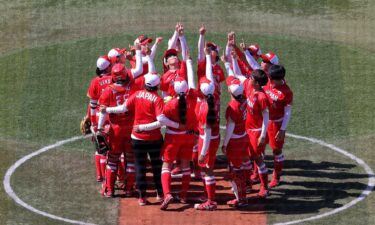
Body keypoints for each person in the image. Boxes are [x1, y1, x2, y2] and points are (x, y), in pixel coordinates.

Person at [101, 56, 185, 206]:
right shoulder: (141, 91)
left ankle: (113, 191)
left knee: (115, 160)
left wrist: (104, 114)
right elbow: (161, 120)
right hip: (149, 136)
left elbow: (122, 108)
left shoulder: (129, 92)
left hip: (124, 133)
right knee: (149, 165)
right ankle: (138, 190)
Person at [96, 45, 144, 198]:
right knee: (130, 159)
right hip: (131, 128)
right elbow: (139, 70)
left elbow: (102, 112)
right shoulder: (134, 86)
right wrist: (138, 51)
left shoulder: (108, 91)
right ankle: (129, 188)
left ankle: (110, 190)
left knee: (113, 159)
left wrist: (99, 128)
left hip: (115, 130)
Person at [159, 56, 198, 210]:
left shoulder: (170, 105)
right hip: (188, 137)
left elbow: (162, 119)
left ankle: (167, 194)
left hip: (173, 137)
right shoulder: (193, 99)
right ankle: (183, 195)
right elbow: (193, 83)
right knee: (186, 167)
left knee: (166, 166)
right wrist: (188, 62)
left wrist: (176, 125)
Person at [231, 52, 270, 198]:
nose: (249, 78)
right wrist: (233, 59)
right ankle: (247, 182)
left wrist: (263, 135)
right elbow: (237, 74)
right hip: (247, 129)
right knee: (246, 157)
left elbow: (266, 116)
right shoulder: (249, 86)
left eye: (252, 78)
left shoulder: (261, 96)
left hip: (256, 131)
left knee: (258, 159)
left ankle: (265, 188)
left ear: (258, 83)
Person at [194, 52, 221, 211]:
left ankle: (211, 201)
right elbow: (210, 78)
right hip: (212, 138)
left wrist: (203, 152)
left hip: (207, 140)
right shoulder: (214, 95)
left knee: (207, 169)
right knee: (206, 168)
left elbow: (208, 132)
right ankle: (207, 194)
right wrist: (207, 57)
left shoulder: (204, 107)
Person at [221, 76, 249, 208]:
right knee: (240, 168)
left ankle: (241, 199)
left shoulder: (232, 106)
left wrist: (225, 144)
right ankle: (242, 194)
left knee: (235, 171)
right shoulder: (244, 100)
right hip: (243, 136)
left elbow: (230, 128)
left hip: (235, 141)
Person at [263, 65, 293, 188]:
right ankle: (255, 173)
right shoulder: (269, 82)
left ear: (275, 79)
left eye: (270, 78)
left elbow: (287, 112)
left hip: (276, 124)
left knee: (276, 150)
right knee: (259, 146)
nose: (268, 79)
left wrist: (282, 129)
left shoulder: (286, 92)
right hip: (264, 121)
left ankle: (276, 176)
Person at [86, 55, 112, 182]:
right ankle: (117, 177)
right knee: (115, 148)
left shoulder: (95, 81)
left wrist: (92, 122)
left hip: (97, 115)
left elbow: (92, 105)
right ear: (108, 67)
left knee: (99, 147)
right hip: (111, 115)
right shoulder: (114, 79)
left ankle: (100, 175)